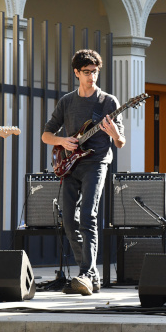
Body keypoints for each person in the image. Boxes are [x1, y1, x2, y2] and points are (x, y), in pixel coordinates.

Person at [42, 49, 125, 296]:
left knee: (88, 215)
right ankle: (89, 274)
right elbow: (46, 135)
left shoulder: (108, 101)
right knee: (69, 220)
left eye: (95, 71)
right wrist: (63, 141)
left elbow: (120, 143)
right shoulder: (66, 101)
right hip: (70, 164)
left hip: (96, 163)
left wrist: (114, 135)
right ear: (77, 72)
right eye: (87, 72)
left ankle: (87, 274)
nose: (92, 76)